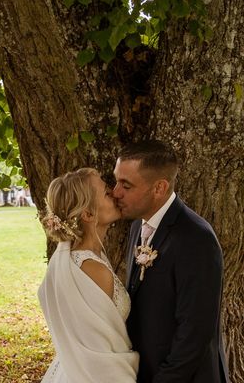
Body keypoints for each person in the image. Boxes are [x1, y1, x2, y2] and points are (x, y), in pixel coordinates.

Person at [113, 140, 230, 383]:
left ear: (159, 188)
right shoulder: (138, 226)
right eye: (116, 181)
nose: (116, 192)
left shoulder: (196, 238)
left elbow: (195, 333)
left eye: (126, 185)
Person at [38, 168, 139, 382]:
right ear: (88, 214)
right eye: (105, 193)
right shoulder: (94, 270)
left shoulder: (74, 258)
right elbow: (101, 353)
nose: (114, 193)